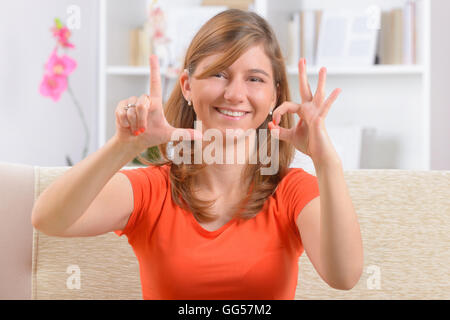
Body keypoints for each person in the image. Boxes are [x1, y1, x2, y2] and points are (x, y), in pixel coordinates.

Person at [31, 9, 363, 300]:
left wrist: (326, 160)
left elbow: (344, 277)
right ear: (187, 85)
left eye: (254, 79)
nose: (234, 94)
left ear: (275, 94)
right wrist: (124, 146)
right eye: (219, 73)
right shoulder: (154, 190)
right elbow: (49, 219)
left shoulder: (291, 191)